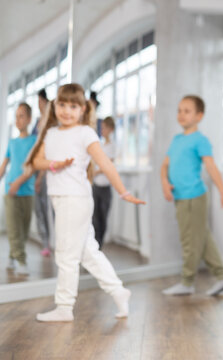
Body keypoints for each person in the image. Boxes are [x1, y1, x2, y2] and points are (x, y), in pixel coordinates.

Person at [26, 83, 145, 322]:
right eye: (62, 105)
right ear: (55, 106)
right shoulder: (51, 134)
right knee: (88, 252)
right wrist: (54, 165)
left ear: (83, 109)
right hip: (61, 199)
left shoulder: (85, 133)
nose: (66, 111)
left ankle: (64, 307)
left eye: (73, 106)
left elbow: (106, 164)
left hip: (75, 199)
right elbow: (36, 161)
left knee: (66, 255)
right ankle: (118, 291)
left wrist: (123, 192)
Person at [161, 95, 223, 297]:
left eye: (187, 111)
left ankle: (187, 282)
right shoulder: (177, 139)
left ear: (199, 116)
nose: (181, 114)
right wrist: (165, 183)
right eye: (179, 110)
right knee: (202, 238)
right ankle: (222, 277)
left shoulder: (200, 140)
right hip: (180, 197)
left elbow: (211, 167)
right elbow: (165, 165)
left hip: (194, 197)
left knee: (189, 240)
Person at [0, 103, 37, 275]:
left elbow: (33, 167)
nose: (18, 120)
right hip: (10, 192)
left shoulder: (34, 141)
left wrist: (19, 183)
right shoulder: (12, 142)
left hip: (27, 192)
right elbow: (4, 165)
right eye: (16, 116)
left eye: (21, 116)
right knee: (14, 228)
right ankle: (21, 260)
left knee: (23, 230)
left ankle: (12, 256)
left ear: (29, 119)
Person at [33, 88, 52, 257]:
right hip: (36, 169)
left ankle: (52, 241)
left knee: (47, 207)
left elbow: (46, 151)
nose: (39, 105)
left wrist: (40, 176)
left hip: (46, 171)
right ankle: (45, 242)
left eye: (41, 102)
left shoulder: (50, 123)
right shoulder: (37, 123)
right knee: (39, 208)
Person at [92, 116, 116, 249]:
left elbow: (108, 165)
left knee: (103, 216)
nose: (103, 130)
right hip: (96, 186)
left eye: (105, 128)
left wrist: (97, 172)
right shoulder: (99, 145)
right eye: (102, 128)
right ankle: (96, 244)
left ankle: (100, 244)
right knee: (95, 217)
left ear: (111, 129)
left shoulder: (112, 146)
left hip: (106, 187)